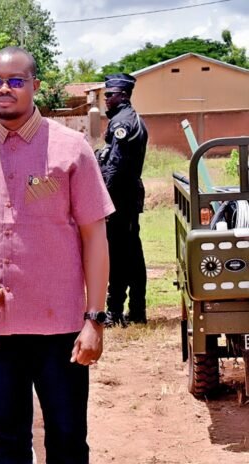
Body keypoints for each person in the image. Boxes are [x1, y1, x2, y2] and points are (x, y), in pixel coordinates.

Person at [0, 46, 114, 464]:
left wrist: (95, 320)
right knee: (8, 438)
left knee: (68, 438)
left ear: (35, 86)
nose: (4, 89)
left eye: (16, 81)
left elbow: (95, 237)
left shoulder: (72, 149)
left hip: (62, 329)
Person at [98, 73, 148, 326]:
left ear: (123, 96)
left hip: (120, 197)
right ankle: (137, 310)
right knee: (132, 254)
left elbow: (114, 166)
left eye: (110, 95)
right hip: (126, 196)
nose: (106, 99)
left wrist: (102, 200)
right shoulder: (127, 118)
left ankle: (115, 311)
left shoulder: (123, 123)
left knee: (118, 255)